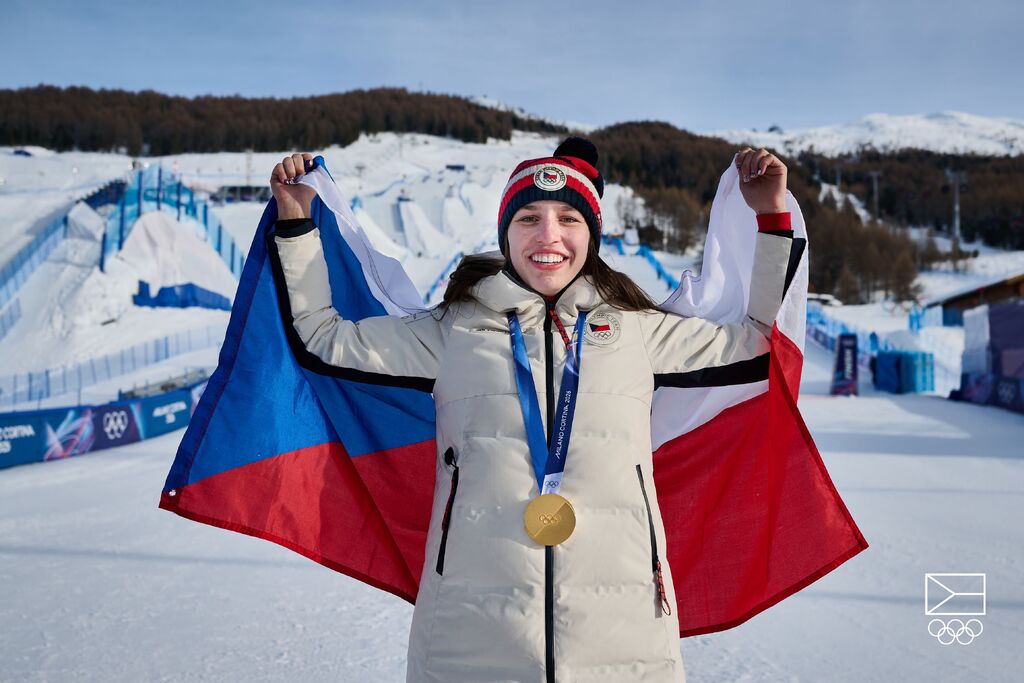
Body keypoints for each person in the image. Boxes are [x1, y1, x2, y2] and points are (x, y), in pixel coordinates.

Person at [268, 138, 795, 682]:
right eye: (528, 219)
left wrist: (771, 216)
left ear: (591, 235)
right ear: (505, 235)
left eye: (568, 218)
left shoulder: (637, 332)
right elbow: (322, 339)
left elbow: (760, 343)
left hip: (624, 631)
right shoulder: (452, 332)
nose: (548, 236)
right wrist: (296, 220)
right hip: (468, 634)